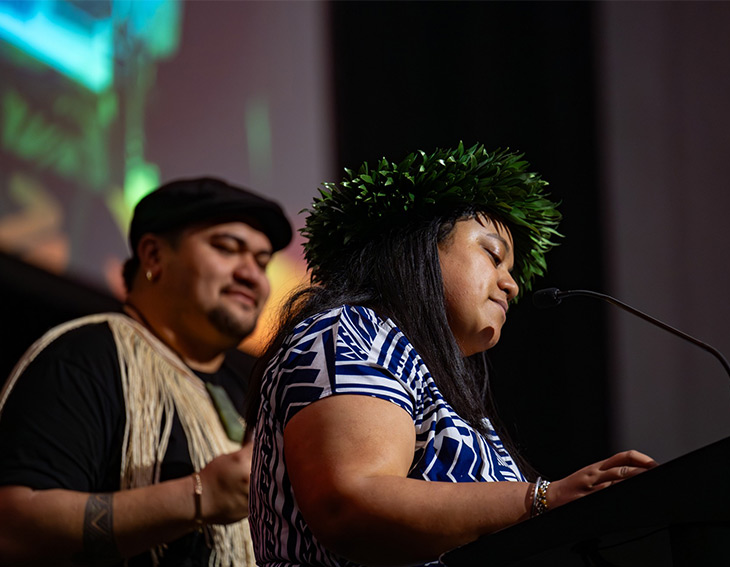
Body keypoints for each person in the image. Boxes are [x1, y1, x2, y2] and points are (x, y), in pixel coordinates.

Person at [247, 143, 657, 567]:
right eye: (493, 255)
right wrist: (543, 497)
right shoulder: (350, 330)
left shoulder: (434, 380)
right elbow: (351, 504)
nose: (511, 285)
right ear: (419, 249)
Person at [0, 177, 292, 567]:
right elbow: (12, 528)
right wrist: (203, 496)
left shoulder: (249, 394)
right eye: (226, 248)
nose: (252, 275)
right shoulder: (88, 354)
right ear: (153, 256)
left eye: (262, 261)